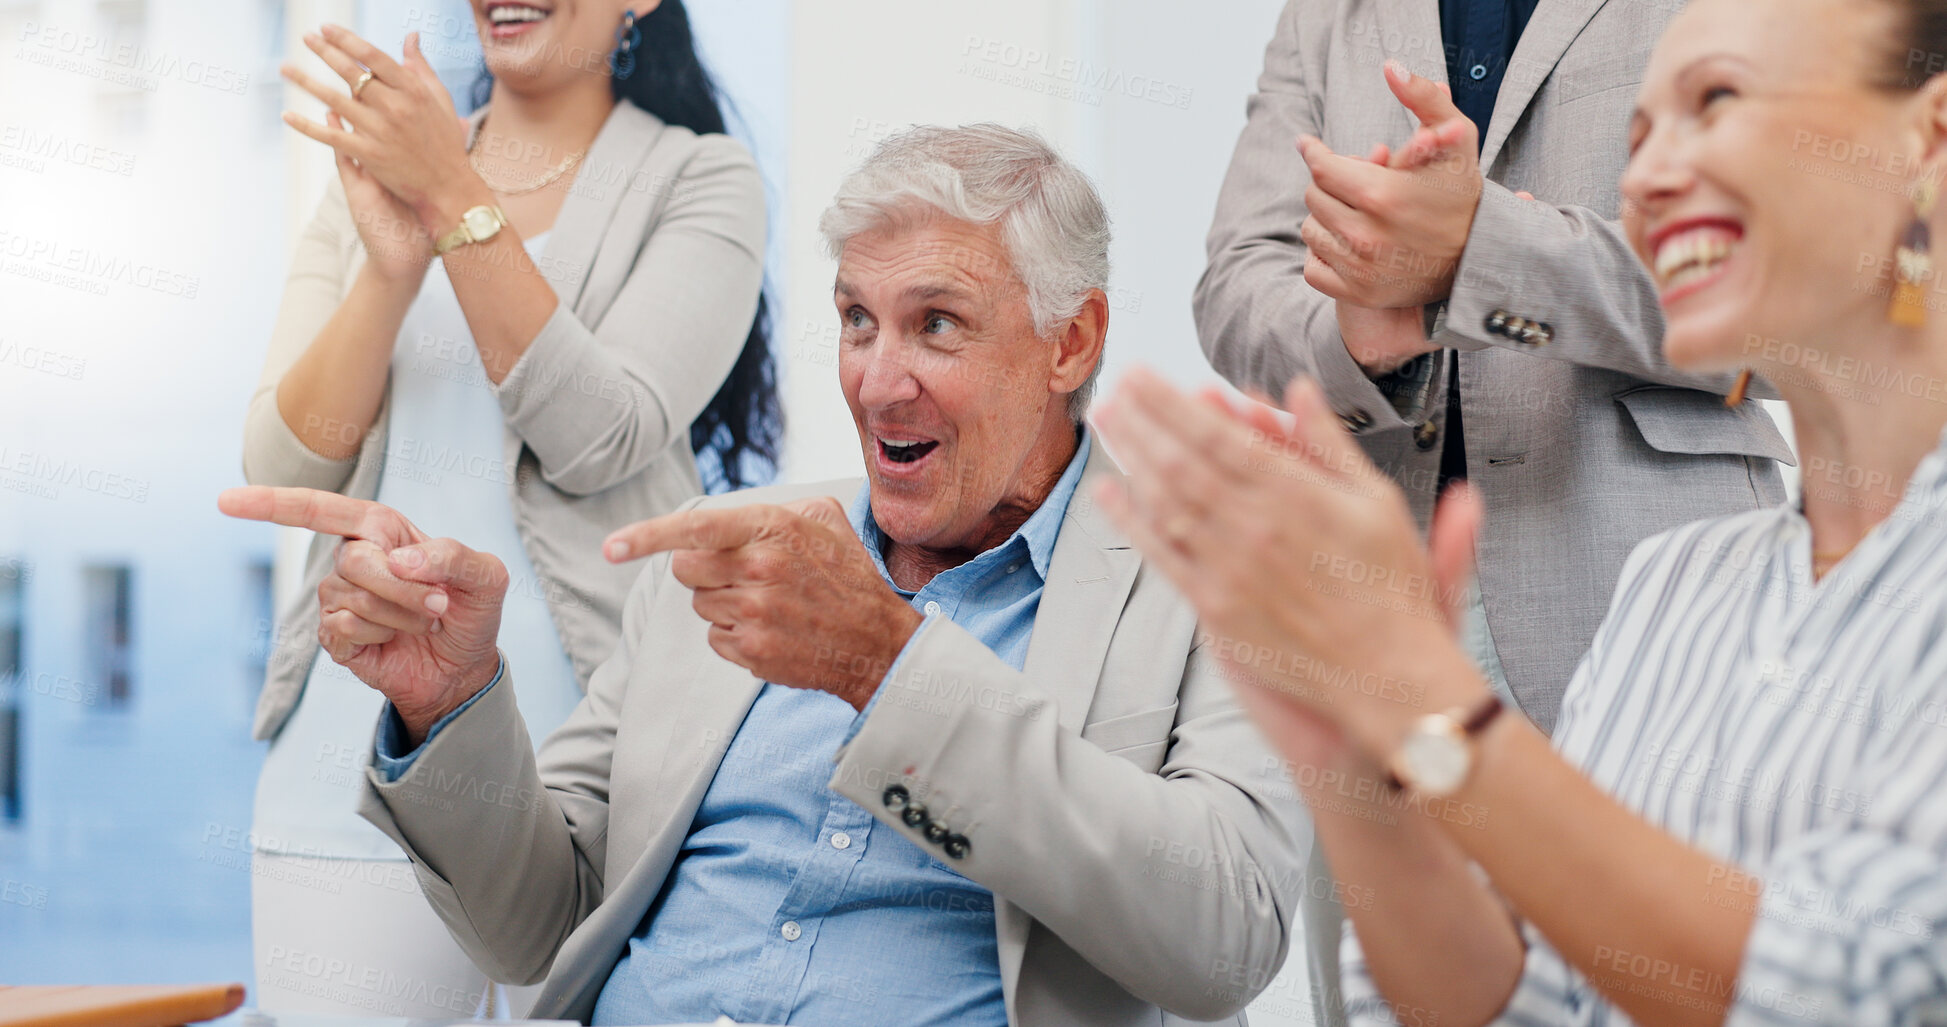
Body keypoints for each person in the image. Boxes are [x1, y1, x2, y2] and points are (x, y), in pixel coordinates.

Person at [220, 124, 1307, 1026]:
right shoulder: (726, 550)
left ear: (1072, 343)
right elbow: (536, 921)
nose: (880, 383)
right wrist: (448, 698)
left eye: (937, 324)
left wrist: (889, 666)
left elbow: (1224, 936)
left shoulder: (1215, 581)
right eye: (855, 321)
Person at [1096, 0, 1947, 1021]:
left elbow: (1856, 989)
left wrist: (1478, 249)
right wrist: (1355, 774)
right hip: (1417, 558)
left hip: (1592, 528)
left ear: (1928, 140)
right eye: (1636, 136)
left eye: (1716, 101)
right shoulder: (1677, 593)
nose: (1641, 180)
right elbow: (1530, 1001)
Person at [1196, 4, 1794, 1019]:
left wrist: (1484, 252)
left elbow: (1804, 292)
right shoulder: (1330, 15)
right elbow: (1235, 287)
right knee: (1394, 990)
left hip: (1656, 608)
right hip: (1384, 611)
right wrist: (1365, 330)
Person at [241, 1, 775, 1015]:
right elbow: (288, 458)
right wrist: (394, 271)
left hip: (599, 781)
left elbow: (601, 434)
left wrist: (451, 191)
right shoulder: (371, 171)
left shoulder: (701, 180)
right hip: (346, 761)